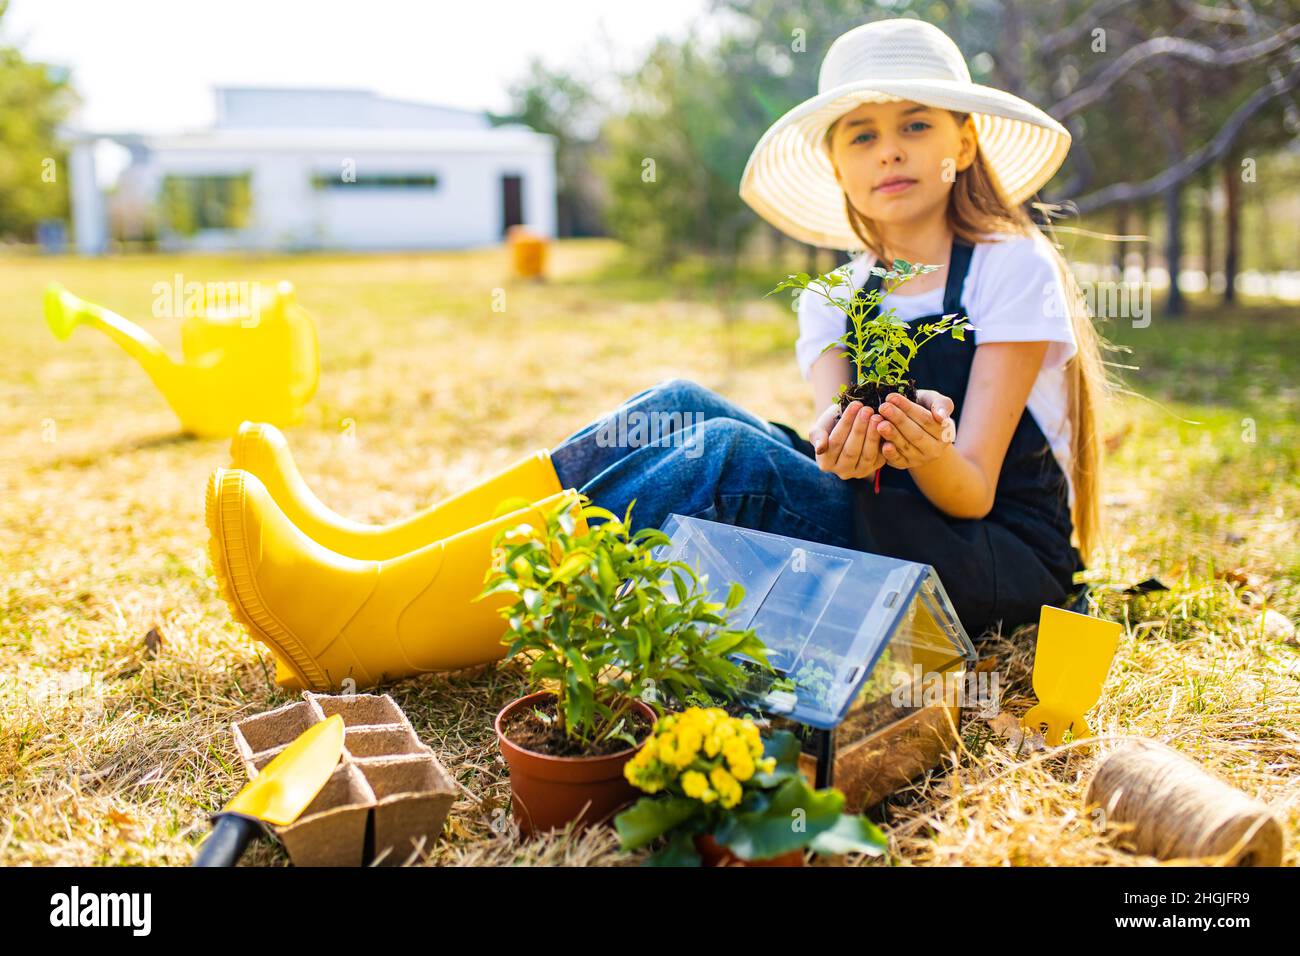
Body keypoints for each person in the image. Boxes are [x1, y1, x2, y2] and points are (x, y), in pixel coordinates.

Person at [206, 18, 1108, 693]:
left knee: (727, 463)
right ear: (836, 164)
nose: (890, 150)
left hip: (990, 557)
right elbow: (839, 450)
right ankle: (375, 556)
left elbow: (974, 488)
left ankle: (372, 626)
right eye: (861, 134)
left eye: (916, 124)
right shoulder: (839, 297)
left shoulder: (1008, 267)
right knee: (675, 403)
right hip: (888, 514)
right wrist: (847, 447)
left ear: (963, 141)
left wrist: (926, 450)